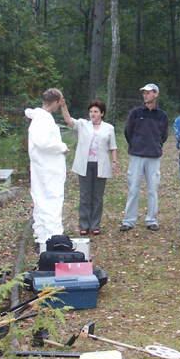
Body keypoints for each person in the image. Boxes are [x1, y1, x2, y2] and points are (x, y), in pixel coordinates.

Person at [61, 99, 119, 236]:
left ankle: (95, 225)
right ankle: (84, 224)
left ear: (102, 113)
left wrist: (115, 162)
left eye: (96, 111)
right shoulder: (83, 125)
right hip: (84, 164)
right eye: (91, 111)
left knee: (97, 196)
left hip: (101, 164)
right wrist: (63, 106)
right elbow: (69, 121)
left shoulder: (109, 128)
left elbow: (113, 147)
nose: (93, 114)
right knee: (85, 195)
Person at [120, 83, 169, 232]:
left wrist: (155, 145)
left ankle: (152, 220)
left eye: (148, 92)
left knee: (153, 189)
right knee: (133, 188)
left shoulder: (162, 116)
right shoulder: (135, 113)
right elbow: (128, 131)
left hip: (153, 156)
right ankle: (129, 220)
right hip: (137, 155)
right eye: (144, 93)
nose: (145, 95)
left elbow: (164, 135)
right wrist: (135, 145)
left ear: (155, 94)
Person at [24, 88, 69, 248]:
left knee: (43, 202)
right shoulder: (42, 120)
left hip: (45, 168)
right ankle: (52, 239)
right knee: (51, 202)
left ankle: (43, 237)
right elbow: (43, 142)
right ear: (56, 102)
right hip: (47, 170)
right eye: (60, 101)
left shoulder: (41, 117)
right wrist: (61, 146)